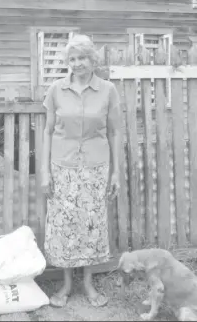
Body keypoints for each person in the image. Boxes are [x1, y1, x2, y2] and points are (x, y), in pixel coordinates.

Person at [41, 34, 121, 308]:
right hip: (62, 167)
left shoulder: (108, 90)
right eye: (72, 59)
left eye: (82, 58)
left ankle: (88, 283)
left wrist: (116, 172)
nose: (76, 64)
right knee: (64, 227)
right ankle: (66, 284)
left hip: (96, 168)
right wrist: (44, 171)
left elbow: (113, 132)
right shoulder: (56, 90)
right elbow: (48, 131)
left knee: (92, 226)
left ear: (93, 60)